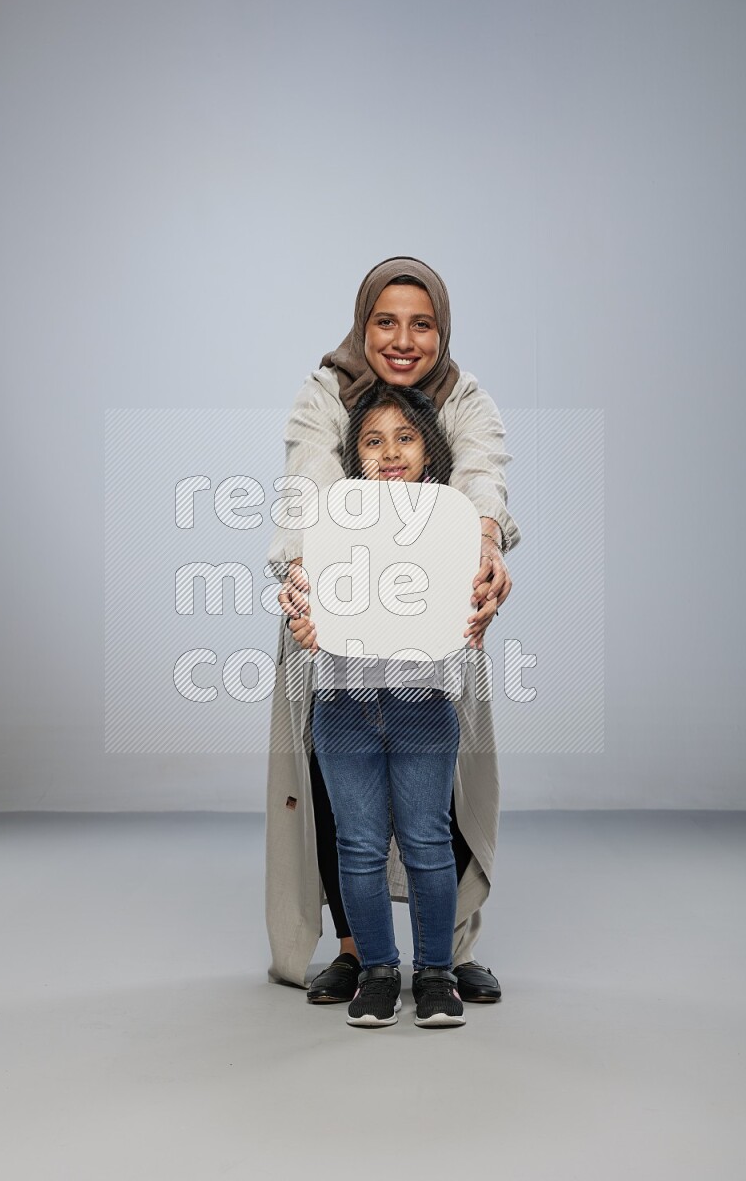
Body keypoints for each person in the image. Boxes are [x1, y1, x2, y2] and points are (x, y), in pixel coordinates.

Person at [266, 256, 520, 1004]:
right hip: (331, 624)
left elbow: (483, 473)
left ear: (442, 330)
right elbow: (305, 485)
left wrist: (485, 543)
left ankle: (447, 949)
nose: (403, 339)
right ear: (362, 324)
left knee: (442, 794)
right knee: (339, 796)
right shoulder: (324, 394)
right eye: (386, 321)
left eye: (422, 323)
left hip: (434, 636)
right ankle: (357, 952)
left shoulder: (464, 398)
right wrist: (299, 574)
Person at [291, 379, 474, 1027]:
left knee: (427, 840)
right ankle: (376, 971)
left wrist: (473, 616)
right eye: (372, 440)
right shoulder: (328, 519)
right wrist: (302, 615)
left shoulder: (453, 518)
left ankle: (435, 975)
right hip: (343, 701)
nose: (389, 451)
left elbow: (464, 610)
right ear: (352, 455)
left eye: (404, 438)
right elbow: (301, 592)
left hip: (423, 703)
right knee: (359, 846)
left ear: (430, 451)